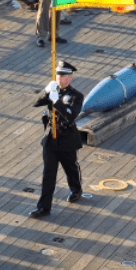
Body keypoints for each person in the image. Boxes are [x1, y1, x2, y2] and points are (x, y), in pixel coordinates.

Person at [29, 60, 84, 218]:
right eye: (58, 75)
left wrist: (57, 102)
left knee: (70, 168)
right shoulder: (54, 90)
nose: (60, 78)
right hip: (51, 139)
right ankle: (44, 207)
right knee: (48, 174)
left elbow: (69, 116)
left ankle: (76, 188)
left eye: (64, 75)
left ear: (70, 77)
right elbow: (35, 103)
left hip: (67, 138)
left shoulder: (76, 96)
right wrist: (46, 92)